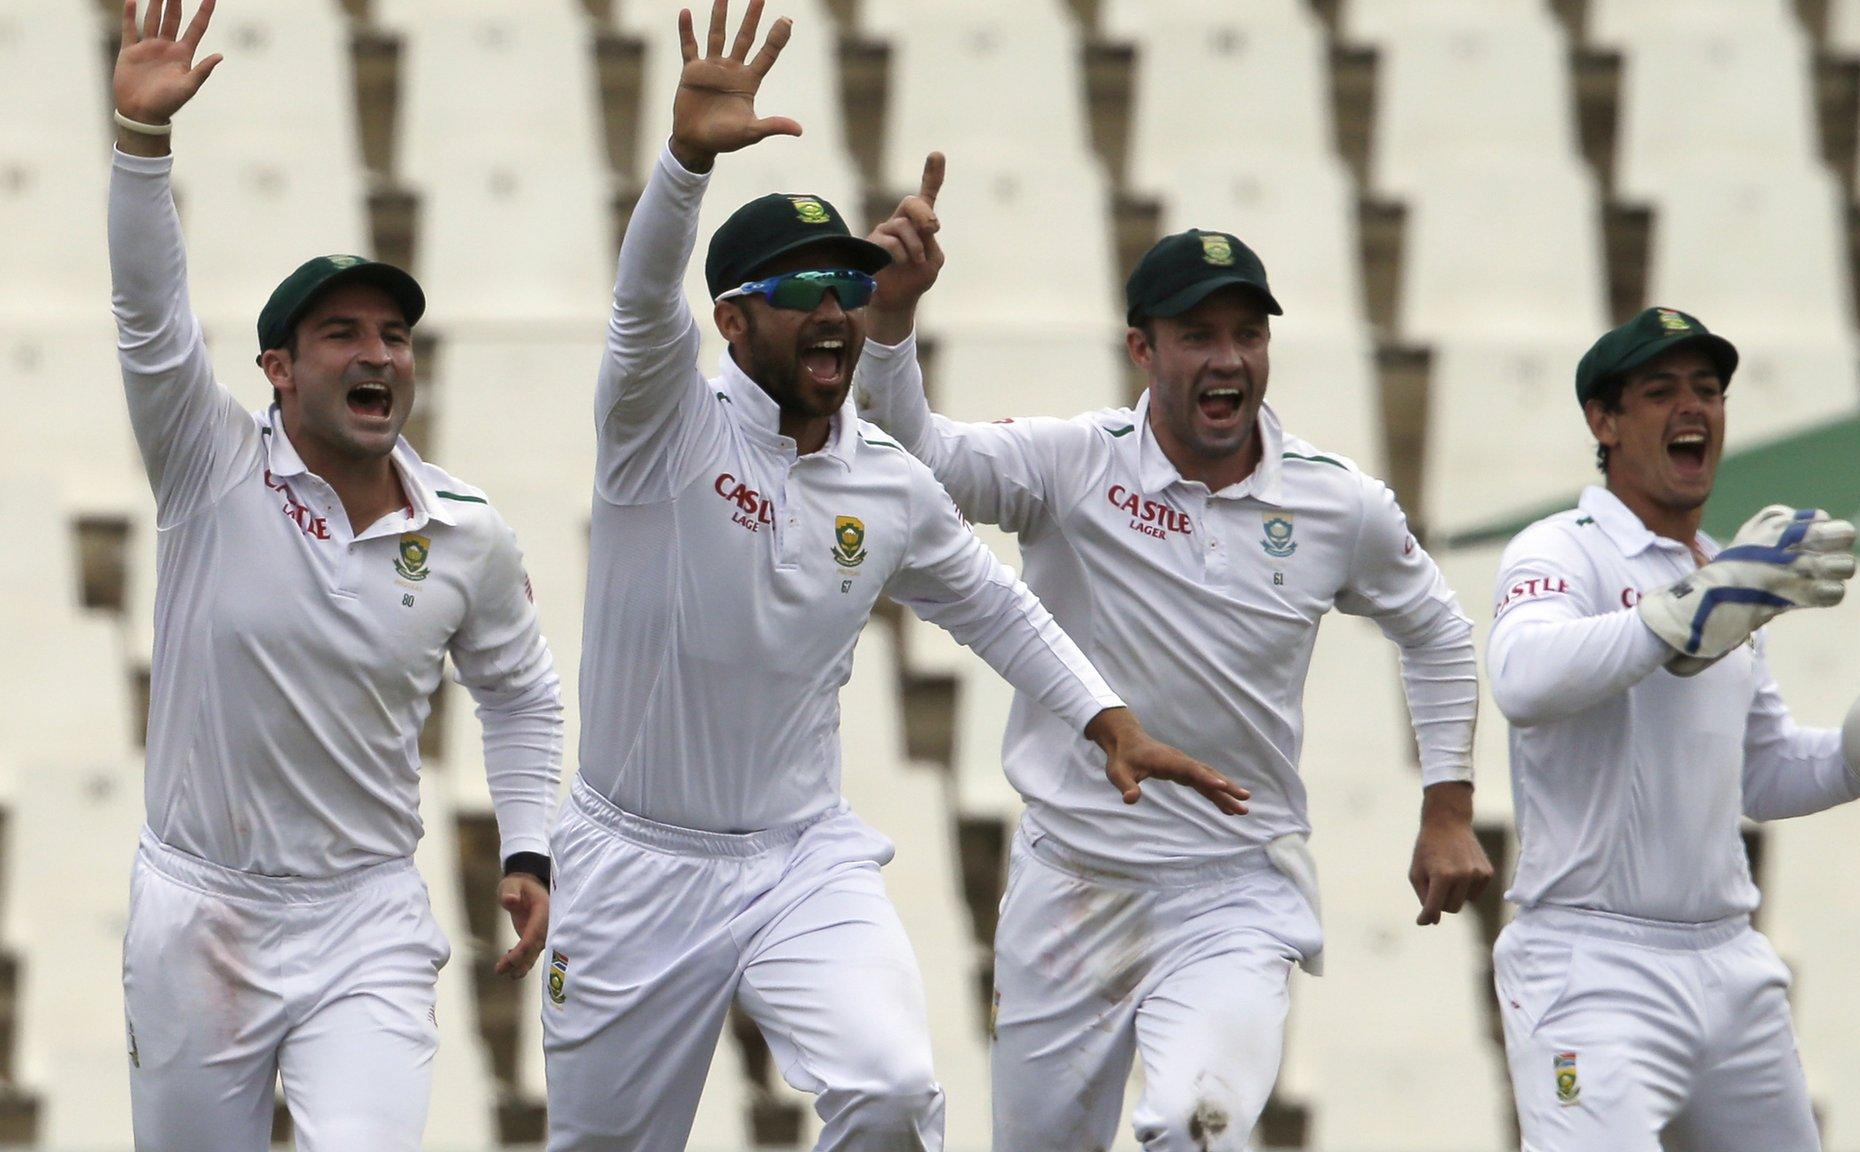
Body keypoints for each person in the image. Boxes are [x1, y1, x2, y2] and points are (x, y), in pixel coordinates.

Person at [542, 4, 1242, 1149]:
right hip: (634, 863)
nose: (833, 310)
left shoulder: (886, 480)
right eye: (800, 289)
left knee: (892, 1092)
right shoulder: (658, 426)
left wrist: (1107, 720)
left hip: (797, 858)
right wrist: (682, 165)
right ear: (730, 320)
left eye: (846, 285)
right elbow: (635, 308)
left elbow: (994, 608)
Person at [852, 165, 1495, 1149]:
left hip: (1232, 888)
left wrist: (1446, 806)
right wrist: (889, 324)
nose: (1228, 358)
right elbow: (916, 466)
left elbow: (1438, 633)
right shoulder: (1075, 464)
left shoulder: (1334, 503)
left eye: (1247, 332)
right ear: (1141, 349)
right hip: (1068, 884)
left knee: (1199, 1128)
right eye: (1197, 335)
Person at [108, 2, 565, 1148]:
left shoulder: (466, 530)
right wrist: (137, 143)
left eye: (394, 336)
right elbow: (149, 322)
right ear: (277, 368)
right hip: (201, 912)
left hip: (363, 914)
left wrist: (524, 847)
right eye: (342, 335)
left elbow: (518, 692)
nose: (377, 356)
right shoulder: (208, 465)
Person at [1485, 306, 1860, 1148]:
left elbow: (1765, 770)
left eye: (1709, 391)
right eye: (1660, 391)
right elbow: (1523, 680)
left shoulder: (1722, 567)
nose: (1694, 409)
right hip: (1590, 965)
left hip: (1729, 963)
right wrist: (1683, 616)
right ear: (1603, 421)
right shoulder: (1560, 551)